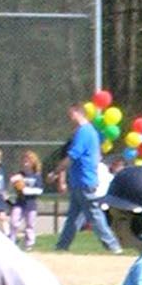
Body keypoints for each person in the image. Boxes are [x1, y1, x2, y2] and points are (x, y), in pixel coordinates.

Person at [54, 104, 121, 252]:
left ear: (78, 113)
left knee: (95, 216)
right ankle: (61, 246)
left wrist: (55, 172)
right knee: (73, 218)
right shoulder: (87, 131)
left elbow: (73, 155)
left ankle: (113, 246)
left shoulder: (84, 131)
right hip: (79, 181)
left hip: (85, 180)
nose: (69, 118)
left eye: (71, 114)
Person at [8, 151, 44, 251]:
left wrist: (25, 190)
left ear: (33, 163)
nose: (25, 163)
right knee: (14, 222)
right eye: (24, 161)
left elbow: (39, 190)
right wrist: (12, 182)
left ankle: (29, 244)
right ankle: (12, 240)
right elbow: (12, 185)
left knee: (30, 225)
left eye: (28, 161)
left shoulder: (36, 176)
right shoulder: (20, 175)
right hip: (19, 203)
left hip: (31, 204)